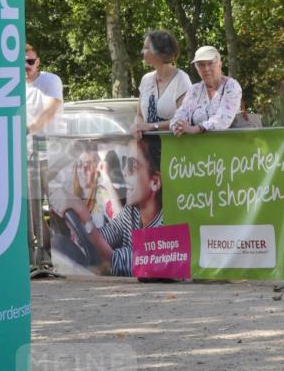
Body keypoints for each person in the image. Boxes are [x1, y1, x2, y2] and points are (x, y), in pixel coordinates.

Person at [52, 136, 162, 277]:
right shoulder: (131, 213)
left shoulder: (165, 225)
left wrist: (83, 215)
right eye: (123, 164)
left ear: (154, 182)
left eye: (132, 166)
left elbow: (113, 261)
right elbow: (103, 237)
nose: (124, 172)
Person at [24, 44, 65, 264]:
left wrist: (29, 128)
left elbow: (51, 109)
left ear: (38, 61)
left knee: (58, 206)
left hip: (54, 152)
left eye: (30, 62)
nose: (26, 66)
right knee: (33, 208)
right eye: (21, 62)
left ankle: (65, 256)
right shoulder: (13, 87)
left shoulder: (50, 81)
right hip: (28, 154)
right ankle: (43, 256)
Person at [170, 46, 241, 136]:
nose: (206, 68)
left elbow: (223, 119)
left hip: (229, 145)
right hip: (197, 148)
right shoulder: (194, 90)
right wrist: (177, 126)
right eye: (201, 65)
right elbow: (180, 115)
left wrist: (195, 129)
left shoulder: (231, 86)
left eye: (210, 63)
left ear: (220, 64)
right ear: (197, 68)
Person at [134, 29, 192, 135]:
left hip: (173, 146)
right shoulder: (146, 80)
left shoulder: (181, 80)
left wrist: (152, 126)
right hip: (147, 146)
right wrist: (137, 127)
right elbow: (139, 115)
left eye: (146, 48)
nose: (142, 51)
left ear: (159, 53)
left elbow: (184, 119)